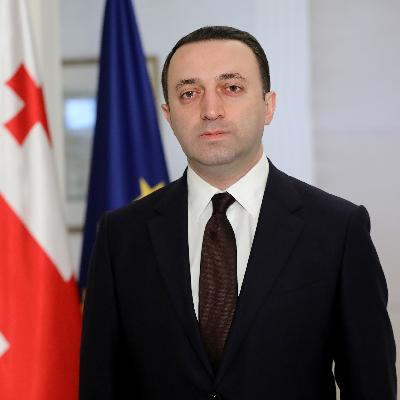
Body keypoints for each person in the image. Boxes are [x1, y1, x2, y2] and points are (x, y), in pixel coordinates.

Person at [79, 26, 397, 399]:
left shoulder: (338, 229)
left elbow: (371, 384)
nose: (210, 110)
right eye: (189, 93)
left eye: (231, 88)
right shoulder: (121, 236)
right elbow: (100, 383)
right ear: (168, 114)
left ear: (268, 106)